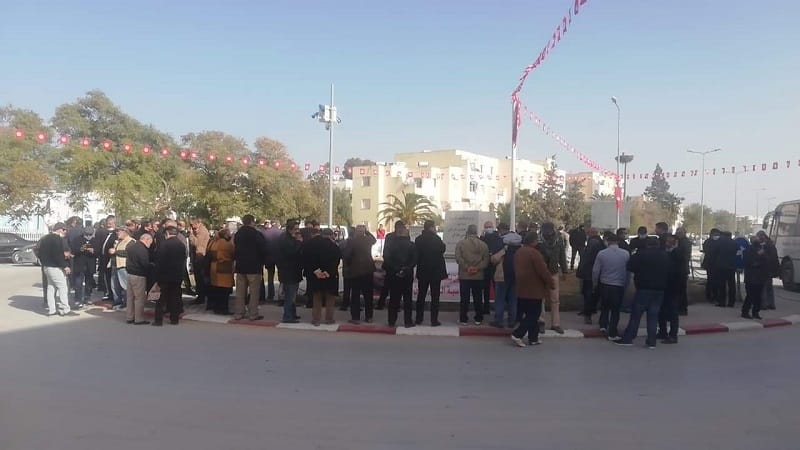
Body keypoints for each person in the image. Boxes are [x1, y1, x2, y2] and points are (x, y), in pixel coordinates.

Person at [614, 238, 670, 348]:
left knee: (636, 315)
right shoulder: (665, 255)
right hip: (659, 289)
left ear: (647, 244)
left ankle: (628, 338)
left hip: (644, 288)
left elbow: (630, 266)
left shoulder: (641, 254)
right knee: (653, 316)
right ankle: (651, 341)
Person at [510, 231, 554, 347]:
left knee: (530, 314)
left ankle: (533, 338)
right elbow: (543, 271)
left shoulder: (519, 252)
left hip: (521, 288)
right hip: (534, 289)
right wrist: (551, 283)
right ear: (534, 241)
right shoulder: (535, 254)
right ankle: (517, 334)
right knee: (534, 315)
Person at [592, 233, 630, 339]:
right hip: (618, 285)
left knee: (604, 306)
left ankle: (603, 325)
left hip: (605, 283)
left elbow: (595, 271)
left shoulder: (602, 253)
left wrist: (595, 283)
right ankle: (613, 331)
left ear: (608, 241)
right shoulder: (625, 254)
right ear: (618, 242)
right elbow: (628, 270)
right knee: (615, 309)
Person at [302, 228, 342, 326]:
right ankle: (329, 319)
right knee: (330, 298)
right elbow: (336, 261)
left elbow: (309, 259)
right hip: (330, 275)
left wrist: (317, 271)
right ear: (331, 235)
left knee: (317, 298)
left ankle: (316, 319)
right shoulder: (334, 246)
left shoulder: (313, 245)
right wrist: (328, 272)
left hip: (317, 275)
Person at [233, 214, 268, 321]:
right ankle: (253, 314)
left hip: (240, 266)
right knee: (254, 292)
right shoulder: (256, 234)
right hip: (254, 266)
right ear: (252, 222)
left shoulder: (238, 234)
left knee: (240, 292)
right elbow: (263, 249)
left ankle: (239, 313)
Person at [537, 222, 568, 334]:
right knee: (541, 298)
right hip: (541, 272)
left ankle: (556, 324)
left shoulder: (558, 240)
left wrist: (564, 270)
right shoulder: (538, 241)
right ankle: (541, 322)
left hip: (553, 272)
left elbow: (562, 256)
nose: (548, 233)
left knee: (555, 299)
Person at [414, 220, 447, 326]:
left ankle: (419, 319)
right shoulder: (436, 239)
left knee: (421, 296)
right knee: (435, 297)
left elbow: (416, 253)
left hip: (423, 271)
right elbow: (442, 249)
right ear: (431, 227)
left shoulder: (418, 239)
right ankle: (434, 320)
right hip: (435, 272)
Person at [40, 222, 77, 317]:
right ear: (59, 229)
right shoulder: (57, 239)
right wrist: (65, 266)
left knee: (51, 287)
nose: (65, 232)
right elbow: (57, 255)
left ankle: (52, 309)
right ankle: (65, 309)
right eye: (64, 230)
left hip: (46, 266)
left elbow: (40, 252)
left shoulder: (45, 238)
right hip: (55, 267)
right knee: (63, 287)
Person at [455, 224, 489, 326]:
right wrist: (477, 268)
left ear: (467, 232)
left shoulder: (461, 243)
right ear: (476, 232)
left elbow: (458, 258)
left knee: (464, 298)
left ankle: (463, 319)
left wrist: (467, 268)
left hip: (465, 275)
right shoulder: (483, 245)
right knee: (478, 298)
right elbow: (486, 260)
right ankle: (478, 318)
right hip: (478, 275)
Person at [153, 226, 187, 326]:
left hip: (164, 275)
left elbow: (159, 260)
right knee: (175, 297)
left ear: (167, 233)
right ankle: (174, 319)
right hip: (177, 275)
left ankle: (158, 320)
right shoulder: (181, 245)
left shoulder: (164, 244)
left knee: (161, 298)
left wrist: (157, 275)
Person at [383, 226, 417, 327]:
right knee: (407, 299)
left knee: (393, 299)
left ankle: (391, 321)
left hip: (394, 275)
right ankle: (408, 321)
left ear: (397, 233)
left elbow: (386, 259)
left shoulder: (390, 245)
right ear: (406, 234)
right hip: (407, 275)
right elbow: (415, 260)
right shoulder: (412, 245)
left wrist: (396, 269)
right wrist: (406, 269)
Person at [343, 225, 377, 323]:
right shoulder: (368, 240)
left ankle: (355, 317)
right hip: (368, 270)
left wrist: (349, 264)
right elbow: (374, 240)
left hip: (356, 271)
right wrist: (367, 231)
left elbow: (347, 255)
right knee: (368, 295)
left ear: (356, 232)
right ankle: (369, 317)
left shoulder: (352, 241)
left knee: (355, 295)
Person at [491, 229, 522, 328]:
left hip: (503, 275)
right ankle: (512, 321)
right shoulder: (520, 248)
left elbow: (494, 259)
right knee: (513, 299)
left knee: (500, 298)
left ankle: (498, 320)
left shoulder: (503, 248)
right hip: (516, 276)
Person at [275, 220, 303, 323]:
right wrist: (299, 242)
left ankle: (292, 314)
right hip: (289, 271)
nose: (298, 231)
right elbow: (291, 253)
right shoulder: (286, 240)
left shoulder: (289, 238)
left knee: (292, 295)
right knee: (290, 296)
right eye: (296, 229)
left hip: (291, 271)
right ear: (290, 229)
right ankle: (287, 316)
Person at [657, 235, 684, 344]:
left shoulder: (678, 254)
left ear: (675, 242)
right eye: (667, 241)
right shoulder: (665, 253)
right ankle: (662, 331)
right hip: (664, 286)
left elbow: (678, 272)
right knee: (661, 310)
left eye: (670, 241)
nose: (667, 243)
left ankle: (673, 335)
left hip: (673, 287)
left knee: (673, 312)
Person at [741, 233, 773, 319]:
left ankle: (755, 312)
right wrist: (759, 256)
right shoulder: (749, 250)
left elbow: (767, 261)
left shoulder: (761, 250)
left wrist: (762, 255)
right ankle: (745, 312)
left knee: (757, 297)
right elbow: (749, 262)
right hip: (752, 277)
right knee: (750, 296)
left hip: (759, 277)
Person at [576, 228, 605, 323]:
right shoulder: (600, 243)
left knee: (588, 293)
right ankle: (590, 310)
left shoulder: (592, 242)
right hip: (595, 272)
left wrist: (581, 271)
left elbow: (586, 259)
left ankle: (588, 313)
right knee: (593, 293)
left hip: (589, 272)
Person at [125, 233, 153, 325]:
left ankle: (130, 317)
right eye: (150, 242)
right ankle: (139, 318)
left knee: (130, 297)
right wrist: (151, 268)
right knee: (139, 298)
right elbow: (144, 263)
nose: (150, 245)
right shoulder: (142, 249)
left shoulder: (132, 247)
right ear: (146, 240)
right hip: (139, 275)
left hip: (129, 274)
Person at [207, 227, 235, 315]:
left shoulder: (213, 242)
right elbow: (233, 253)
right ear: (226, 235)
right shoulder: (227, 244)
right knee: (224, 291)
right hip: (224, 268)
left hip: (213, 268)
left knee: (217, 290)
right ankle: (223, 309)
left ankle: (216, 308)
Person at [377, 221, 404, 310]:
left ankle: (381, 304)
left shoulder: (390, 236)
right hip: (396, 266)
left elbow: (386, 252)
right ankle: (395, 305)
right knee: (395, 287)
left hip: (391, 265)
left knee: (387, 286)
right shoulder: (401, 237)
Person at [69, 225, 97, 309]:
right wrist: (81, 249)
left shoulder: (95, 240)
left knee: (89, 283)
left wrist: (93, 251)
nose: (88, 236)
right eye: (87, 234)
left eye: (90, 235)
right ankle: (78, 299)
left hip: (90, 264)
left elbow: (98, 251)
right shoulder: (77, 239)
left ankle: (87, 297)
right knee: (78, 283)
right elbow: (73, 250)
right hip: (79, 264)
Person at [481, 221, 505, 315]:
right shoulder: (494, 237)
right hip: (488, 266)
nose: (488, 228)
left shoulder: (497, 238)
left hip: (495, 266)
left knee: (495, 288)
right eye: (487, 227)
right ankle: (490, 308)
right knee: (487, 288)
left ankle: (494, 308)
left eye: (489, 226)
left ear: (493, 227)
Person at [110, 226, 135, 311]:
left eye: (119, 231)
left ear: (125, 232)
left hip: (123, 266)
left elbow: (129, 253)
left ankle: (127, 304)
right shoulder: (119, 241)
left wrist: (116, 252)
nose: (117, 233)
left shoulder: (131, 241)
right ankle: (118, 302)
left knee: (125, 286)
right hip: (115, 265)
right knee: (115, 286)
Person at [188, 218, 211, 307]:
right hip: (198, 257)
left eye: (192, 225)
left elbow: (197, 244)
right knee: (198, 278)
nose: (191, 227)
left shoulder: (202, 231)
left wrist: (191, 235)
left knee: (201, 278)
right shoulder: (197, 230)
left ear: (197, 223)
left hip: (201, 257)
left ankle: (202, 297)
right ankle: (201, 295)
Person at [713, 231, 738, 307]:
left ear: (724, 235)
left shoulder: (719, 242)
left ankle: (722, 302)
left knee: (721, 285)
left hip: (721, 266)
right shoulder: (734, 243)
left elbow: (715, 252)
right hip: (731, 266)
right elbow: (736, 252)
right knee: (731, 285)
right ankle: (731, 302)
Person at [757, 230, 780, 310]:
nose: (759, 239)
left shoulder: (766, 246)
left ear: (763, 236)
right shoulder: (771, 244)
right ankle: (771, 304)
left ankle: (764, 304)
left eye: (759, 237)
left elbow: (769, 258)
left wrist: (762, 253)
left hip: (766, 269)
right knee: (769, 287)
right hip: (770, 269)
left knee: (763, 286)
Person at [675, 227, 692, 315]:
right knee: (679, 290)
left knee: (681, 290)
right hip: (680, 269)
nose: (677, 234)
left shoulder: (685, 242)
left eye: (679, 233)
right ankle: (680, 307)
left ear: (683, 233)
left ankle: (682, 308)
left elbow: (684, 256)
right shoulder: (680, 241)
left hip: (681, 269)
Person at [701, 228, 721, 302]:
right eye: (716, 234)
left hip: (713, 264)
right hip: (711, 264)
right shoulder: (709, 242)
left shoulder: (708, 241)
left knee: (712, 280)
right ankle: (712, 296)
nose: (717, 236)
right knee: (711, 280)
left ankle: (711, 295)